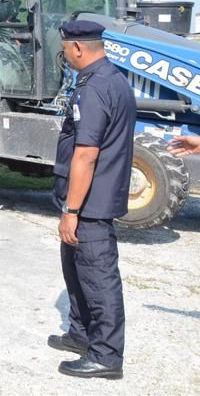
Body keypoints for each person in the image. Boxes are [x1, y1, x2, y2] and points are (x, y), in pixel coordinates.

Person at [49, 20, 135, 380]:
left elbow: (86, 154)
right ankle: (82, 335)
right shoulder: (109, 79)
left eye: (65, 48)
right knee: (76, 271)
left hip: (90, 206)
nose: (64, 54)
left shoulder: (96, 88)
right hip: (87, 201)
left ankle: (106, 356)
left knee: (98, 279)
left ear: (78, 48)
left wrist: (71, 210)